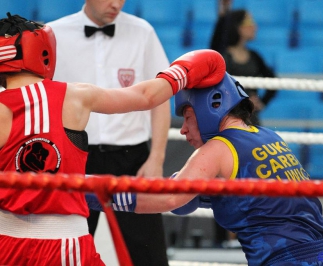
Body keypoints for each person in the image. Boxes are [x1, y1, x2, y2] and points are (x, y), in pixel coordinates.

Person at [0, 12, 226, 265]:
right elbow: (145, 97)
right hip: (67, 245)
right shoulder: (74, 96)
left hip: (6, 244)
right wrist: (184, 72)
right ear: (42, 50)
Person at [87, 73, 323, 265]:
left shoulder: (219, 148)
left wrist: (93, 193)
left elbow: (167, 198)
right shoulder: (269, 136)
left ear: (211, 107)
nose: (184, 129)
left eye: (187, 117)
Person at [47, 0, 172, 265]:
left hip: (132, 158)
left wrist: (157, 158)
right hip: (74, 159)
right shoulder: (53, 34)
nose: (116, 4)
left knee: (149, 255)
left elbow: (162, 97)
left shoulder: (142, 32)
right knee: (65, 252)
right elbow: (40, 98)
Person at [210, 9, 277, 126]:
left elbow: (274, 82)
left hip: (251, 119)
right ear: (238, 27)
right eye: (249, 22)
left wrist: (262, 102)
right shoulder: (223, 57)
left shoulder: (254, 56)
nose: (255, 27)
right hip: (227, 118)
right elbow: (214, 47)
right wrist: (223, 17)